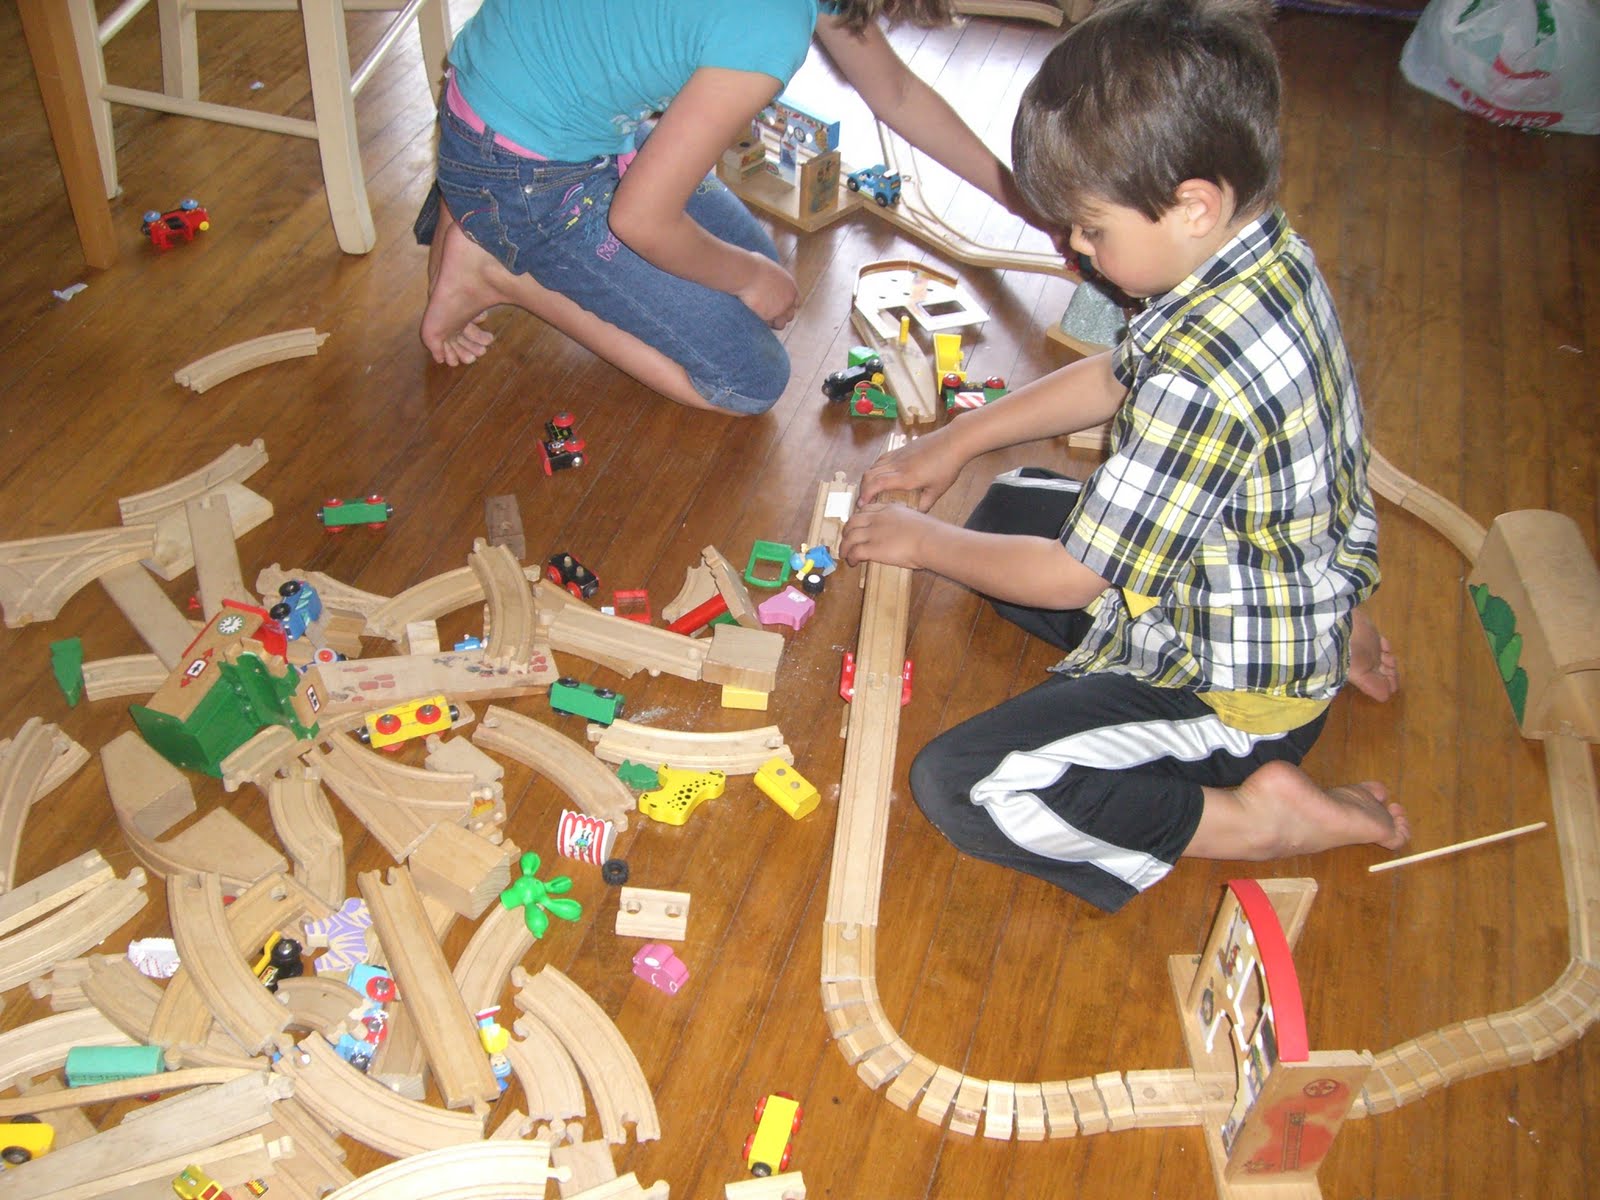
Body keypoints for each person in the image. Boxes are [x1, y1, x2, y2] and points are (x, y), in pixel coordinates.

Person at [839, 0, 1410, 914]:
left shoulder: (1203, 379)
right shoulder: (1256, 256)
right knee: (1006, 505)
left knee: (966, 782)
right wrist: (958, 438)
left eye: (1091, 229)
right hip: (1262, 594)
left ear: (1194, 206)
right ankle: (1327, 636)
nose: (1074, 246)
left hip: (1230, 696)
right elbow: (1116, 374)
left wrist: (921, 542)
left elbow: (1071, 578)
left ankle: (1252, 817)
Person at [414, 0, 1040, 415]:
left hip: (508, 105)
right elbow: (639, 219)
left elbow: (896, 92)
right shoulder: (768, 27)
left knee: (755, 268)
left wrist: (1024, 197)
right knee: (748, 379)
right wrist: (748, 277)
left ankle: (476, 216)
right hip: (522, 172)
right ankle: (497, 270)